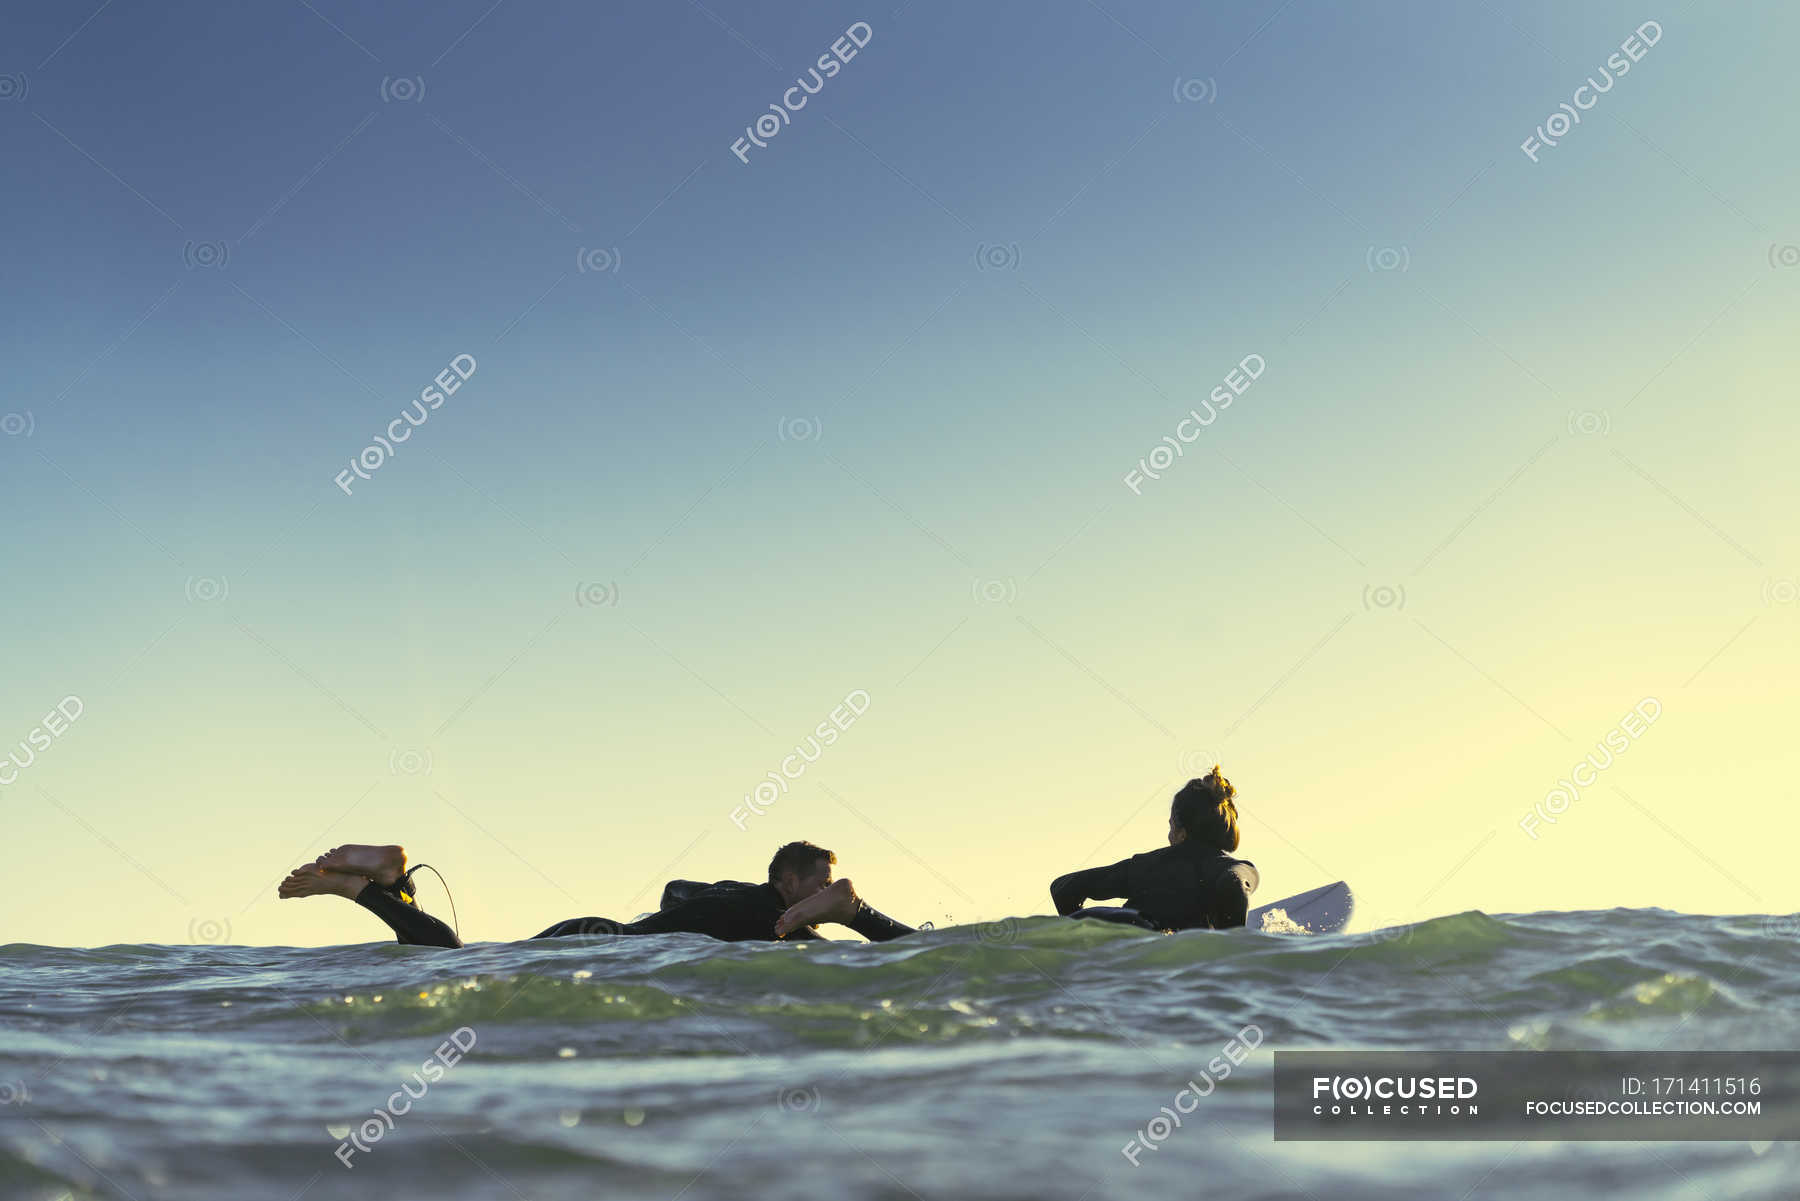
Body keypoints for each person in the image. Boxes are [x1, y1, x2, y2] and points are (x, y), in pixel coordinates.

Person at [278, 840, 915, 948]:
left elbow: (675, 889)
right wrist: (850, 912)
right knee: (448, 953)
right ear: (787, 882)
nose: (819, 895)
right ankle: (366, 889)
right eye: (819, 884)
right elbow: (914, 950)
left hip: (597, 931)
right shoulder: (768, 916)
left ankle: (395, 880)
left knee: (458, 954)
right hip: (601, 944)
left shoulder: (730, 898)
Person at [1048, 766, 1258, 931]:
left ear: (1182, 833)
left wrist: (1080, 944)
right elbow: (1233, 884)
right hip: (1148, 937)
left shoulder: (1144, 865)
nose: (1168, 836)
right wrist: (1230, 949)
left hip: (1117, 924)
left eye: (1171, 827)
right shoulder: (1236, 868)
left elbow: (1063, 887)